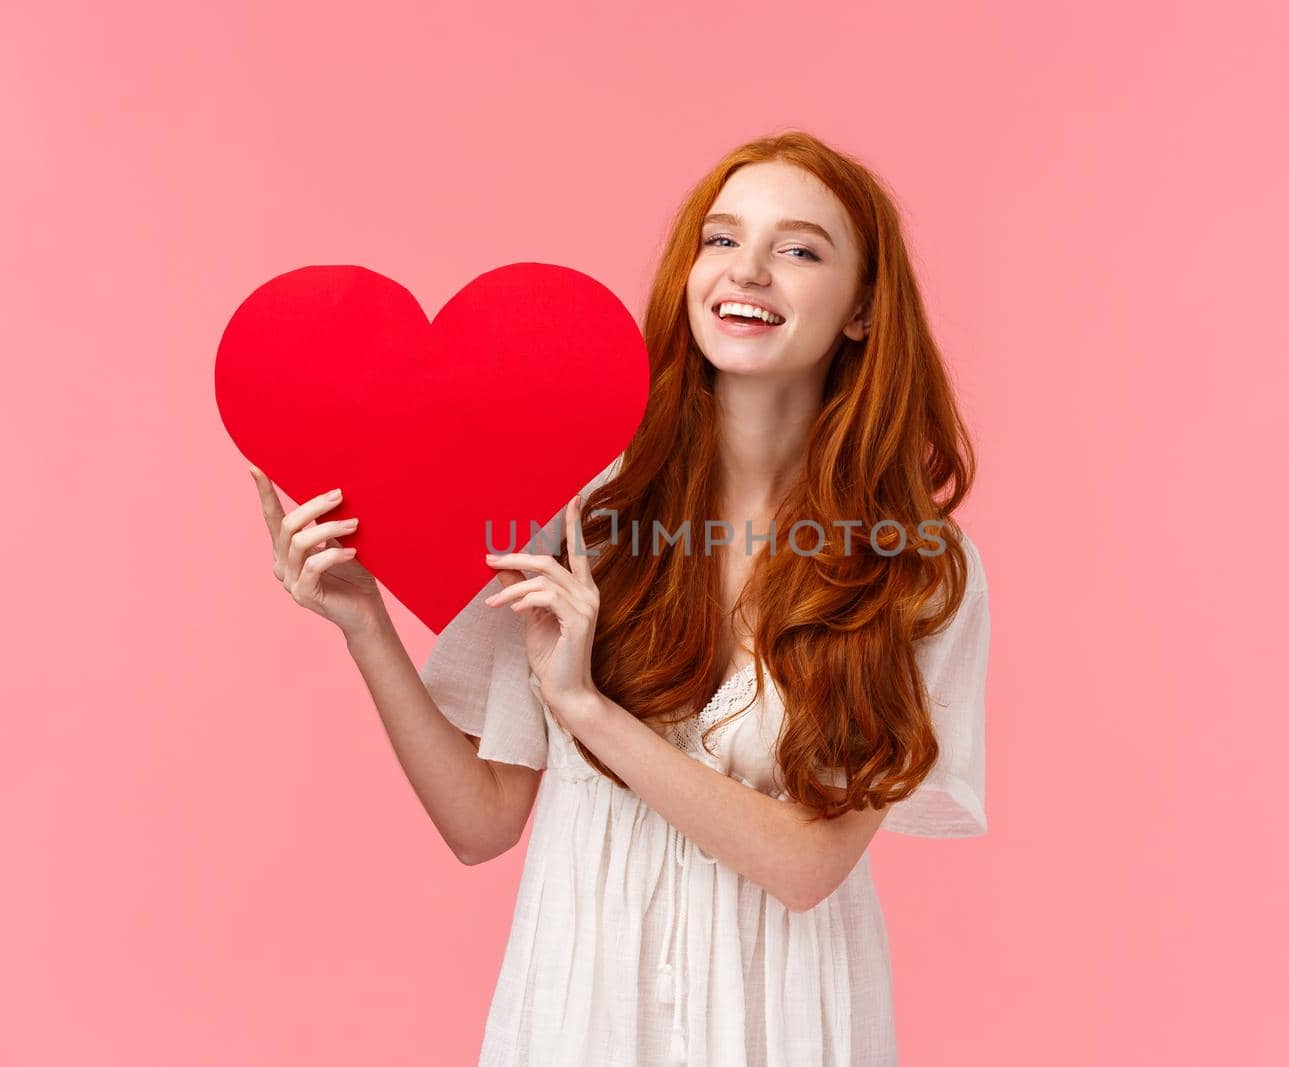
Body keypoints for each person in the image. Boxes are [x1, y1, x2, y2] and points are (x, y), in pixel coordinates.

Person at [248, 129, 991, 1066]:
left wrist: (589, 712)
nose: (749, 271)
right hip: (582, 1007)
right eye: (721, 241)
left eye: (800, 250)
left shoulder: (912, 566)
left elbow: (808, 865)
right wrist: (364, 623)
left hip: (786, 1022)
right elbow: (481, 822)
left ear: (862, 312)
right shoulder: (580, 514)